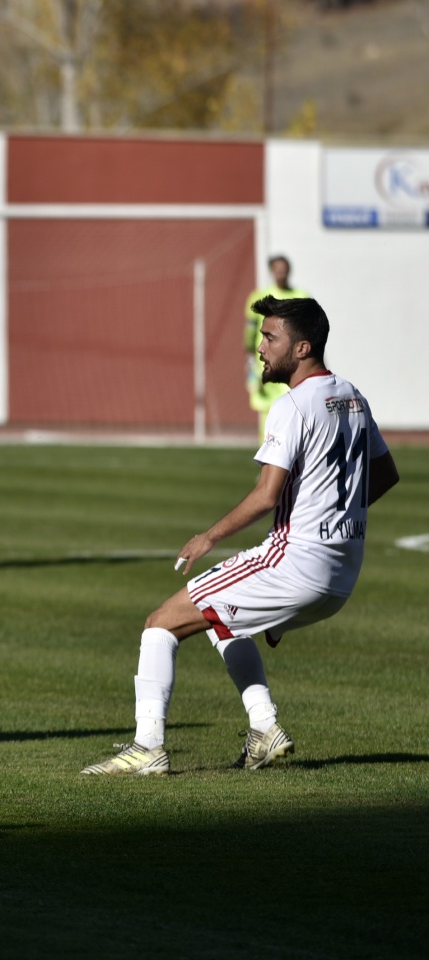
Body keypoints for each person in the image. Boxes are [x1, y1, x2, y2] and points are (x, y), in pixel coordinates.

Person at [82, 296, 398, 776]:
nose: (261, 347)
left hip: (295, 561)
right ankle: (264, 728)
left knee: (160, 623)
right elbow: (386, 473)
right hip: (341, 576)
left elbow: (266, 495)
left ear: (303, 347)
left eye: (272, 338)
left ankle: (147, 749)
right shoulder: (353, 396)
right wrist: (335, 514)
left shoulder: (294, 405)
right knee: (222, 619)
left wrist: (207, 536)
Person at [245, 254, 310, 439]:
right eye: (277, 269)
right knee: (268, 413)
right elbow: (249, 333)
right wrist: (249, 362)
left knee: (296, 409)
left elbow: (311, 332)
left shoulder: (301, 297)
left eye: (284, 269)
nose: (281, 273)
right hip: (266, 364)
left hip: (294, 365)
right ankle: (267, 460)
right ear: (272, 271)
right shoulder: (260, 297)